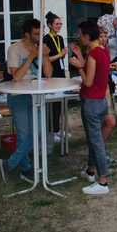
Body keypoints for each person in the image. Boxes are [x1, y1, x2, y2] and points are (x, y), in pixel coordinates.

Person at [0, 19, 52, 183]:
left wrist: (45, 56)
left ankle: (9, 164)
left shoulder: (40, 47)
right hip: (18, 95)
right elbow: (16, 76)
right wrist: (31, 57)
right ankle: (27, 168)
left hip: (36, 93)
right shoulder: (14, 49)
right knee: (24, 135)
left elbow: (48, 74)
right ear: (27, 34)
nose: (39, 36)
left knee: (38, 132)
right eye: (36, 33)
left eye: (40, 33)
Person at [70, 20, 111, 195]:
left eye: (80, 34)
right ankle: (91, 171)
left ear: (87, 36)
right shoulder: (102, 50)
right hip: (100, 101)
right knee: (94, 140)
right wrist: (81, 59)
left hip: (92, 102)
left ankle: (103, 182)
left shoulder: (94, 53)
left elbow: (87, 81)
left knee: (96, 142)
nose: (79, 37)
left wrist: (79, 67)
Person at [43, 11, 68, 144]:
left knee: (60, 102)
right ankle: (51, 131)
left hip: (60, 71)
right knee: (52, 103)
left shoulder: (60, 38)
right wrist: (60, 54)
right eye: (57, 24)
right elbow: (46, 59)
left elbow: (61, 55)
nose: (59, 26)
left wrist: (63, 54)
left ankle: (57, 129)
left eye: (60, 24)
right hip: (50, 72)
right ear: (50, 25)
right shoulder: (46, 39)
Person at [98, 28, 117, 167]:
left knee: (108, 123)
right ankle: (99, 153)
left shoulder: (105, 50)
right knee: (108, 122)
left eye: (106, 36)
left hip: (107, 90)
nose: (104, 38)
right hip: (99, 93)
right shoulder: (95, 51)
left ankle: (102, 151)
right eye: (101, 36)